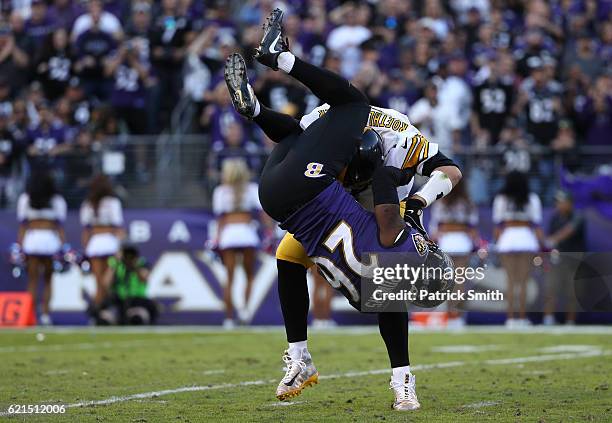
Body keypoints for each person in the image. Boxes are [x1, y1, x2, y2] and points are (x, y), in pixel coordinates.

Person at [225, 9, 458, 412]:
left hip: (383, 202)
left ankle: (402, 377)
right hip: (332, 198)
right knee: (288, 257)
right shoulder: (328, 122)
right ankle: (298, 357)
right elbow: (296, 144)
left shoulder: (399, 137)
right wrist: (260, 116)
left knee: (390, 286)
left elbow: (450, 169)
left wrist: (417, 202)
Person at [212, 158, 263, 328]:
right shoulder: (252, 189)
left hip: (229, 235)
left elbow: (220, 219)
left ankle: (228, 319)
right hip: (247, 234)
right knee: (249, 276)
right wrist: (269, 231)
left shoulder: (220, 192)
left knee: (230, 278)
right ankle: (245, 310)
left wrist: (216, 240)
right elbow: (262, 213)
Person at [493, 171, 545, 328]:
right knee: (523, 282)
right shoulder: (532, 198)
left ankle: (510, 318)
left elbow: (497, 225)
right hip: (525, 239)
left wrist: (497, 242)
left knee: (510, 281)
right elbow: (536, 224)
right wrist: (543, 245)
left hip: (508, 238)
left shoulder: (501, 198)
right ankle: (522, 318)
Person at [16, 172, 67, 326]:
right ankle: (45, 315)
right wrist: (63, 246)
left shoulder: (25, 198)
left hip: (32, 240)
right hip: (50, 240)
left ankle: (30, 315)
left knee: (32, 280)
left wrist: (21, 245)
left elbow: (23, 225)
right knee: (48, 280)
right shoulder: (57, 200)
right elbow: (59, 226)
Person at [429, 181, 479, 328]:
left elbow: (434, 229)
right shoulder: (468, 203)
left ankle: (450, 314)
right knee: (460, 281)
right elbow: (473, 227)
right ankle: (456, 316)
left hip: (447, 242)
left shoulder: (441, 202)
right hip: (462, 242)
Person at [80, 175, 124, 309]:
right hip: (110, 242)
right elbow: (118, 227)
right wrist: (120, 248)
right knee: (108, 281)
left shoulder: (88, 204)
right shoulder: (113, 202)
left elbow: (86, 230)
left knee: (98, 281)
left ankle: (99, 310)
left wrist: (86, 248)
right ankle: (105, 310)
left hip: (95, 244)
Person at [543, 190, 586, 325]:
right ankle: (548, 319)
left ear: (569, 203)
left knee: (572, 292)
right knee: (551, 288)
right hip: (558, 258)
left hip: (574, 259)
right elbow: (550, 238)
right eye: (557, 202)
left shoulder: (578, 216)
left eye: (561, 202)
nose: (558, 205)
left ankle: (570, 321)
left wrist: (553, 240)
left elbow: (569, 230)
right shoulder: (555, 218)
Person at [96, 243, 158, 325]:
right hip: (118, 300)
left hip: (137, 299)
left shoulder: (142, 263)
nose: (128, 257)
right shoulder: (115, 265)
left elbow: (144, 278)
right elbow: (106, 283)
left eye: (131, 254)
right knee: (105, 317)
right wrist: (115, 264)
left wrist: (134, 265)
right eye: (126, 254)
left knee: (137, 317)